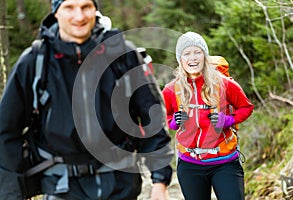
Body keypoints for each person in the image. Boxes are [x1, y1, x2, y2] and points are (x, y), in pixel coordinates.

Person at [0, 0, 173, 199]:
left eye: (85, 7)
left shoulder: (123, 55)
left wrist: (160, 182)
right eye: (69, 7)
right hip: (61, 187)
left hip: (120, 186)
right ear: (55, 12)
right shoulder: (36, 61)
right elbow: (6, 131)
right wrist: (11, 193)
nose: (79, 16)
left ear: (95, 9)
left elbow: (152, 118)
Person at [162, 32, 254, 200]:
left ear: (205, 55)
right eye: (187, 53)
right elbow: (167, 116)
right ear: (180, 59)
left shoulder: (225, 84)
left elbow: (246, 107)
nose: (193, 58)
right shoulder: (170, 90)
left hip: (224, 161)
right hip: (190, 164)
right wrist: (174, 122)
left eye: (197, 52)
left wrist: (229, 120)